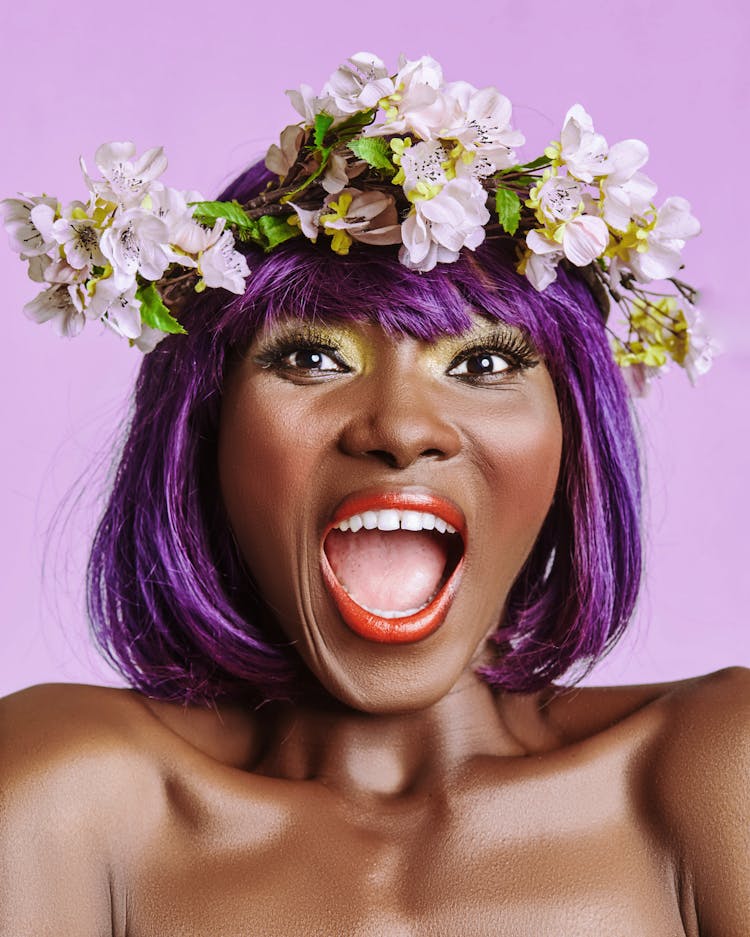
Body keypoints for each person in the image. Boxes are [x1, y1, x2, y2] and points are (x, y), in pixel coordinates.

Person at [1, 53, 748, 935]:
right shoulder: (65, 796)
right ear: (205, 429)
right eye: (313, 358)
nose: (399, 425)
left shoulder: (712, 775)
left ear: (573, 443)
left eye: (484, 363)